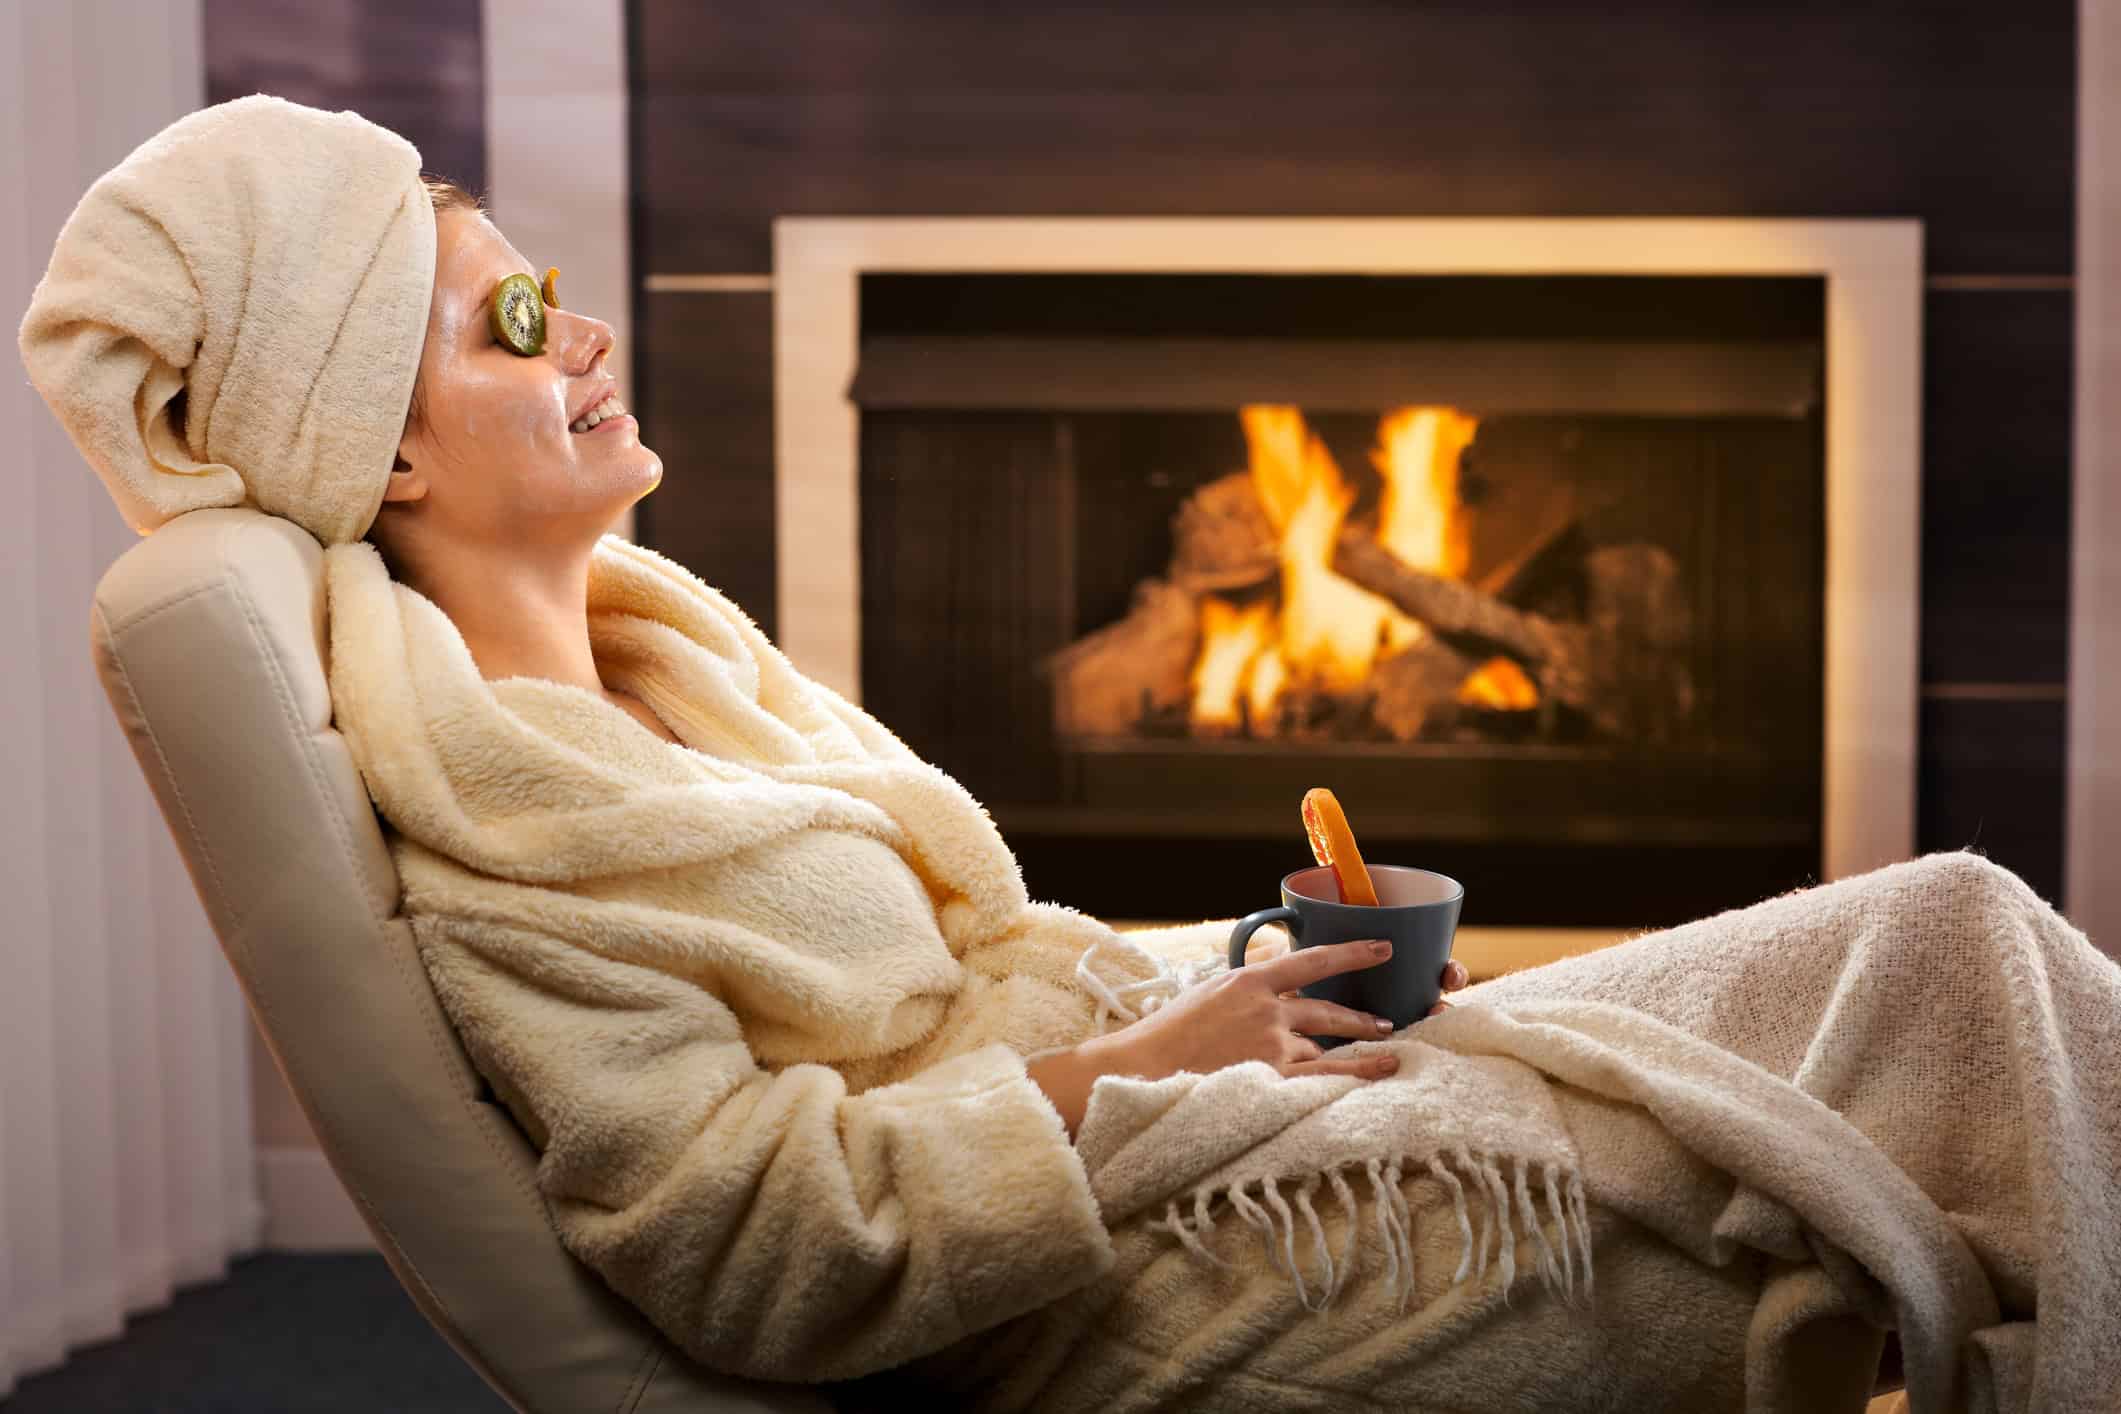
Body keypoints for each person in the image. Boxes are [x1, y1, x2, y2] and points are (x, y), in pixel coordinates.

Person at [22, 97, 2121, 1414]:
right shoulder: (511, 851)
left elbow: (975, 985)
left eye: (552, 291)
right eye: (508, 319)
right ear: (372, 446)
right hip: (1145, 1288)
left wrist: (1224, 987)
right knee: (1946, 998)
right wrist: (1149, 1063)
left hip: (1196, 1128)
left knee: (1949, 968)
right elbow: (758, 1249)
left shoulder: (678, 675)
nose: (581, 334)